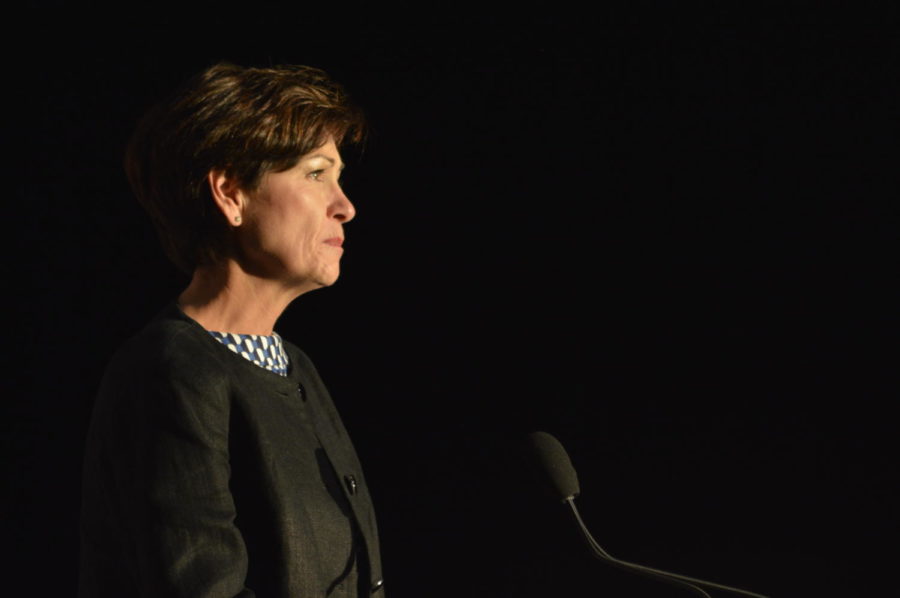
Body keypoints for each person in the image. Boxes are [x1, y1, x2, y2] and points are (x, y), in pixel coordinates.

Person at [78, 62, 385, 597]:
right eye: (316, 174)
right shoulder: (173, 370)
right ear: (230, 194)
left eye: (339, 178)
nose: (346, 206)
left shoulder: (294, 366)